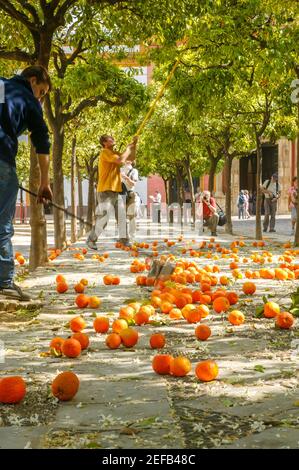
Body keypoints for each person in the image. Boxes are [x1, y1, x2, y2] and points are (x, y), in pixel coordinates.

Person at [0, 66, 52, 301]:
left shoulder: (1, 85)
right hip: (2, 159)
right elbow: (41, 141)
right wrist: (44, 182)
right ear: (33, 81)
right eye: (41, 91)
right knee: (2, 224)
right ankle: (4, 283)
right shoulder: (30, 101)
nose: (40, 97)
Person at [86, 134, 137, 249]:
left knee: (122, 216)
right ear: (104, 143)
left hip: (116, 190)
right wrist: (128, 148)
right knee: (104, 218)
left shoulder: (115, 153)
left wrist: (134, 145)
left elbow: (130, 159)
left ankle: (124, 240)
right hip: (105, 191)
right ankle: (91, 240)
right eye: (110, 139)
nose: (113, 139)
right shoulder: (105, 152)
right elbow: (120, 161)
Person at [121, 160, 139, 241]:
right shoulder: (120, 170)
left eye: (129, 159)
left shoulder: (134, 171)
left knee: (132, 217)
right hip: (121, 195)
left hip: (130, 194)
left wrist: (126, 178)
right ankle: (123, 237)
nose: (127, 160)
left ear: (132, 161)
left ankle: (132, 237)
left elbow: (133, 183)